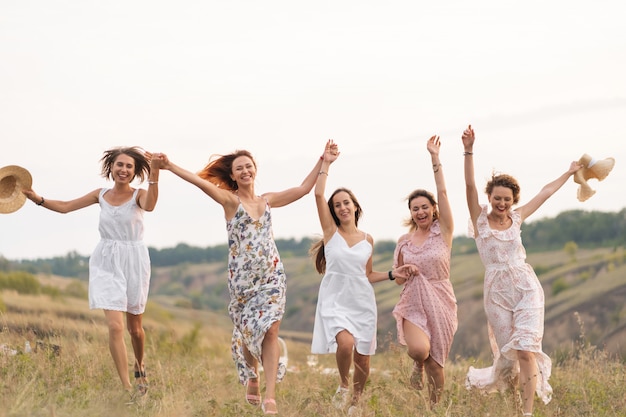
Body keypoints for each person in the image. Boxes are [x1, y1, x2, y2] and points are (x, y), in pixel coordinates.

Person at [155, 144, 328, 415]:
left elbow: (303, 189)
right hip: (243, 283)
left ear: (255, 170)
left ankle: (270, 396)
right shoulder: (229, 201)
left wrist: (323, 160)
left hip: (272, 278)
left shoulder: (268, 200)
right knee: (250, 337)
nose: (245, 171)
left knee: (271, 330)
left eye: (249, 166)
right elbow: (200, 183)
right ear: (233, 176)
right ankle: (253, 375)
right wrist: (170, 166)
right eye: (239, 168)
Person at [22, 146, 161, 401]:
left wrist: (155, 175)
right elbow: (65, 207)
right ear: (111, 167)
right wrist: (37, 198)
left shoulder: (140, 195)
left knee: (135, 329)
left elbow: (150, 205)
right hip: (106, 261)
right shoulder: (101, 195)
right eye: (120, 165)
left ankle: (140, 365)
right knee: (115, 327)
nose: (124, 170)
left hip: (134, 261)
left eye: (129, 166)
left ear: (134, 171)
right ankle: (128, 389)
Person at [461, 125, 582, 416]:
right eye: (497, 197)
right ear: (490, 197)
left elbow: (545, 192)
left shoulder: (517, 217)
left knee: (526, 349)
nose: (502, 203)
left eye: (507, 199)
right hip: (497, 293)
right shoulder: (479, 220)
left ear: (513, 200)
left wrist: (568, 173)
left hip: (526, 286)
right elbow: (469, 186)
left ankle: (526, 413)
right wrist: (468, 150)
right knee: (510, 356)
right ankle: (515, 404)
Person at [310, 140, 418, 415]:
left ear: (355, 206)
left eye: (346, 203)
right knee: (345, 343)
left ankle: (356, 403)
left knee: (364, 361)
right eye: (337, 205)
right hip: (335, 299)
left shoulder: (368, 238)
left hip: (362, 302)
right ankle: (344, 386)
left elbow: (367, 274)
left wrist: (394, 273)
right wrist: (326, 163)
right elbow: (318, 195)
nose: (342, 207)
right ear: (333, 211)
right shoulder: (330, 233)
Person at [391, 135, 458, 405]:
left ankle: (434, 408)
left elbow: (443, 192)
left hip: (441, 299)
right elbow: (397, 279)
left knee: (436, 362)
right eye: (415, 208)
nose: (420, 212)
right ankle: (416, 365)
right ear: (411, 213)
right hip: (413, 300)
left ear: (433, 210)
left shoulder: (443, 232)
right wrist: (402, 271)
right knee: (420, 351)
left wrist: (435, 159)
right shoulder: (403, 241)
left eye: (424, 207)